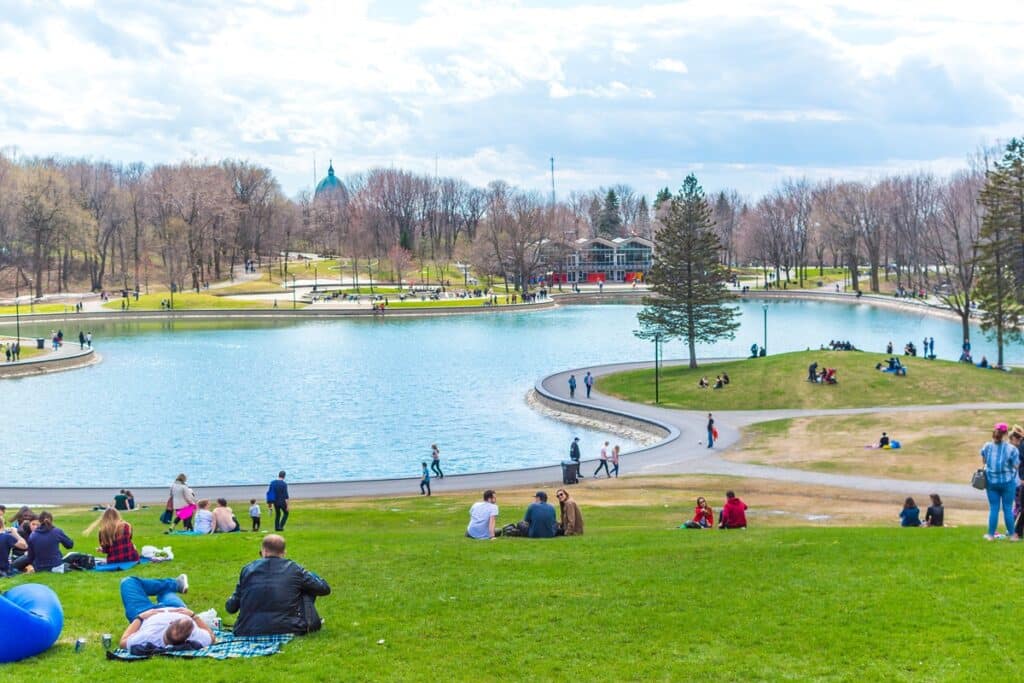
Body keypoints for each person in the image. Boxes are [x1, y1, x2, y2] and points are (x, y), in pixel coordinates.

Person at [225, 535, 331, 636]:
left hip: (247, 629)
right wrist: (311, 575)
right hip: (289, 628)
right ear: (283, 553)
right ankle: (308, 620)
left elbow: (231, 607)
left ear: (264, 551)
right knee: (307, 585)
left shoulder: (247, 570)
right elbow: (324, 588)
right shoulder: (295, 569)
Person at [117, 574, 215, 652]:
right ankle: (175, 585)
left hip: (145, 612)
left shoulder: (148, 637)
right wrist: (193, 616)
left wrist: (140, 618)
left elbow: (123, 642)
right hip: (177, 608)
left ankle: (175, 584)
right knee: (166, 593)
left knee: (128, 582)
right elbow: (212, 636)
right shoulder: (196, 636)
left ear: (170, 623)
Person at [981, 422, 1020, 540]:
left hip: (991, 482)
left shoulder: (987, 446)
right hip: (1008, 482)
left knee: (994, 508)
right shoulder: (1011, 449)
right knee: (1008, 508)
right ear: (1006, 433)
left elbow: (984, 462)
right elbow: (1016, 466)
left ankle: (991, 535)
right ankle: (1012, 535)